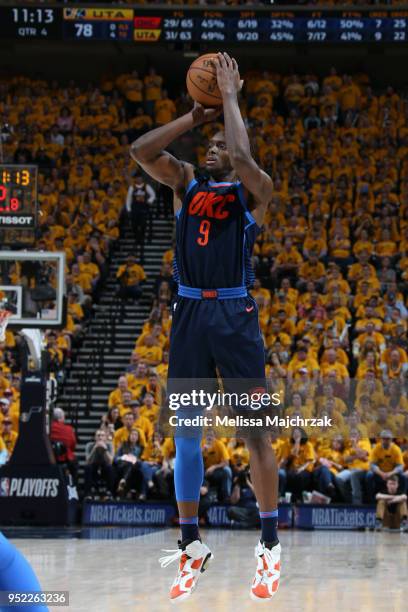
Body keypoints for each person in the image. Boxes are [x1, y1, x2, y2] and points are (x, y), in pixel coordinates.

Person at [131, 52, 280, 602]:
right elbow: (141, 151)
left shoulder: (253, 189)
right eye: (209, 143)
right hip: (191, 313)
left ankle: (268, 546)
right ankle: (192, 544)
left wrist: (231, 98)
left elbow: (241, 151)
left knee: (255, 435)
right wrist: (194, 117)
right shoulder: (186, 182)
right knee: (186, 440)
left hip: (235, 315)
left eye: (221, 143)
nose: (215, 147)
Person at [125, 171, 156, 262]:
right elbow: (128, 199)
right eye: (137, 178)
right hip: (135, 210)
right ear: (135, 179)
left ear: (142, 178)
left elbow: (153, 195)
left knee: (142, 226)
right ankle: (137, 237)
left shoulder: (146, 186)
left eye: (140, 177)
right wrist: (129, 209)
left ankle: (141, 240)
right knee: (134, 226)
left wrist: (149, 201)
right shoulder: (132, 187)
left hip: (143, 210)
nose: (138, 179)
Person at [84, 429, 115, 500]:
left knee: (110, 468)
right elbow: (87, 461)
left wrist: (105, 449)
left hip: (105, 468)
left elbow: (110, 461)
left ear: (105, 438)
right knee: (87, 467)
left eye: (102, 435)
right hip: (93, 467)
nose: (100, 437)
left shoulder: (109, 445)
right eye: (98, 435)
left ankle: (109, 492)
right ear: (95, 437)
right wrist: (94, 449)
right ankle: (88, 493)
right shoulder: (89, 445)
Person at [49, 407, 77, 483]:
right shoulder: (69, 429)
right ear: (61, 418)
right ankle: (73, 486)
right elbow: (73, 445)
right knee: (74, 463)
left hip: (50, 459)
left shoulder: (48, 429)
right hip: (66, 460)